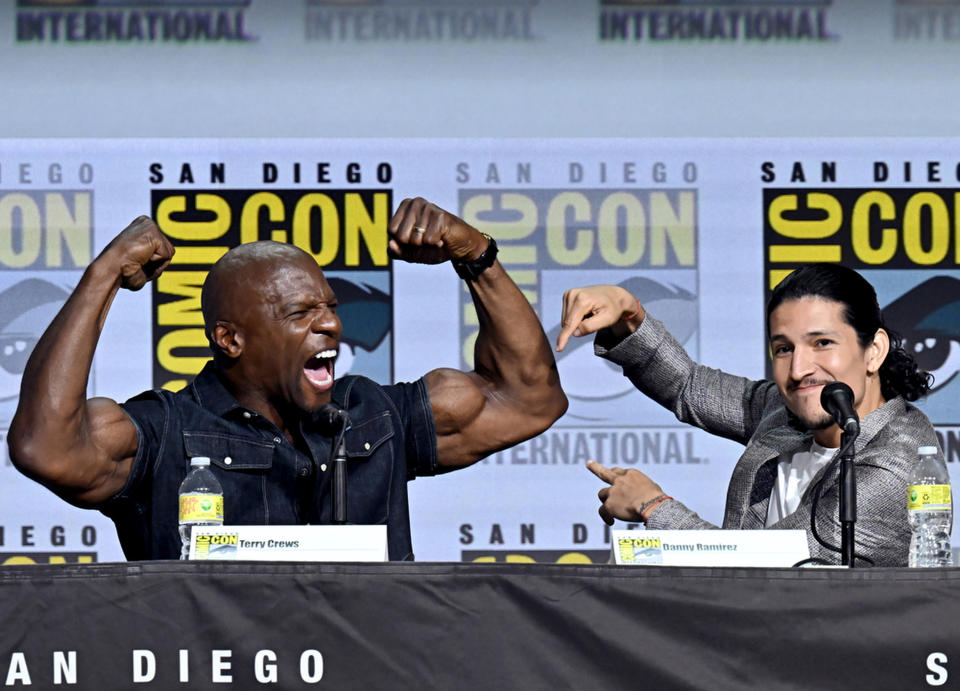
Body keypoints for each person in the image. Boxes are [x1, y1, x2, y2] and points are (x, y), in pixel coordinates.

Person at [8, 197, 567, 561]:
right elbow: (45, 447)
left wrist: (477, 257)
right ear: (231, 339)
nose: (330, 323)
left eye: (328, 306)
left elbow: (527, 399)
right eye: (300, 313)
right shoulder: (163, 434)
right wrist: (102, 275)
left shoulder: (373, 414)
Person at [556, 264, 939, 566]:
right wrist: (630, 313)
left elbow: (767, 563)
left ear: (874, 350)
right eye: (784, 348)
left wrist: (653, 507)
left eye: (822, 343)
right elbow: (687, 385)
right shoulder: (786, 412)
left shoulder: (898, 460)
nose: (799, 369)